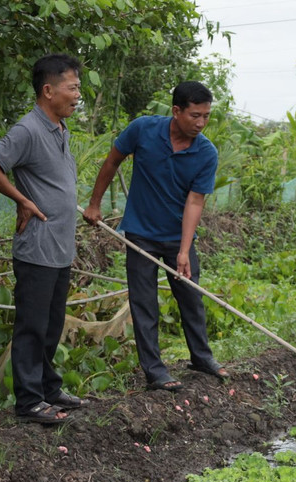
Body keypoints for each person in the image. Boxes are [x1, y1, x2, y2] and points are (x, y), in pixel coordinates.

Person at [83, 81, 226, 392]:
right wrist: (94, 204)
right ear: (176, 111)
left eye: (206, 116)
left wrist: (184, 251)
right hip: (141, 234)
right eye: (195, 115)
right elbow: (112, 162)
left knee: (190, 297)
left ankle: (202, 357)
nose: (201, 123)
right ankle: (155, 371)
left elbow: (195, 201)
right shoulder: (143, 130)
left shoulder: (206, 152)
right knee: (144, 303)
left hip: (179, 236)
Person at [0, 54, 84, 424]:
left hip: (60, 248)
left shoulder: (60, 130)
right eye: (72, 88)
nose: (77, 95)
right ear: (48, 90)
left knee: (52, 325)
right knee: (32, 326)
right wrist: (21, 199)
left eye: (78, 88)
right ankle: (29, 401)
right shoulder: (28, 129)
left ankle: (49, 387)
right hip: (37, 247)